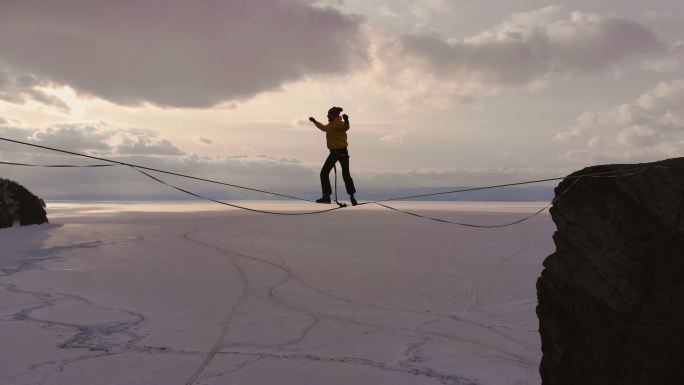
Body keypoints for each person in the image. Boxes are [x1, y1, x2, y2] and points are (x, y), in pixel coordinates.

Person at [309, 106, 358, 206]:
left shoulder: (339, 123)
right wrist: (315, 122)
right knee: (345, 174)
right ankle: (351, 196)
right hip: (338, 152)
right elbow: (324, 128)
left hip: (338, 152)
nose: (327, 117)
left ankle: (327, 196)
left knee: (325, 173)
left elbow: (345, 127)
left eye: (329, 115)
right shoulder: (332, 124)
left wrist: (347, 120)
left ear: (333, 115)